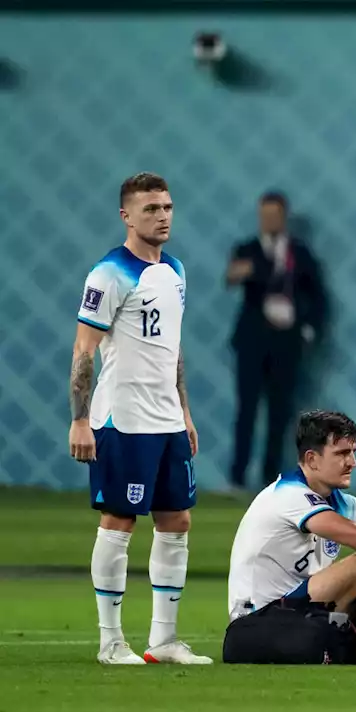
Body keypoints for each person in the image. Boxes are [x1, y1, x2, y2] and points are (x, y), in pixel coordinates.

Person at [70, 173, 210, 665]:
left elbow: (172, 349)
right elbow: (84, 349)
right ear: (126, 216)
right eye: (151, 209)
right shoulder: (109, 274)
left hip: (168, 422)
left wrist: (186, 413)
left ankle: (163, 641)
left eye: (168, 207)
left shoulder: (175, 270)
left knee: (177, 520)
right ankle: (111, 641)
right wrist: (81, 420)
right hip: (123, 420)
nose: (163, 216)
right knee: (120, 520)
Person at [223, 410, 356, 663]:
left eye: (353, 452)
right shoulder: (289, 495)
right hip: (262, 617)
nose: (353, 462)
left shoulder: (343, 502)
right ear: (312, 459)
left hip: (303, 608)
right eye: (342, 454)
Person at [226, 191, 328, 489]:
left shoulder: (299, 252)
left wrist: (309, 330)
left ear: (283, 216)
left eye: (274, 215)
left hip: (287, 343)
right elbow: (231, 277)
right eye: (264, 215)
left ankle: (268, 478)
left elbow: (318, 295)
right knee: (246, 410)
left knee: (279, 413)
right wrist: (249, 269)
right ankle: (237, 478)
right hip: (253, 341)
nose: (269, 220)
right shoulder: (247, 248)